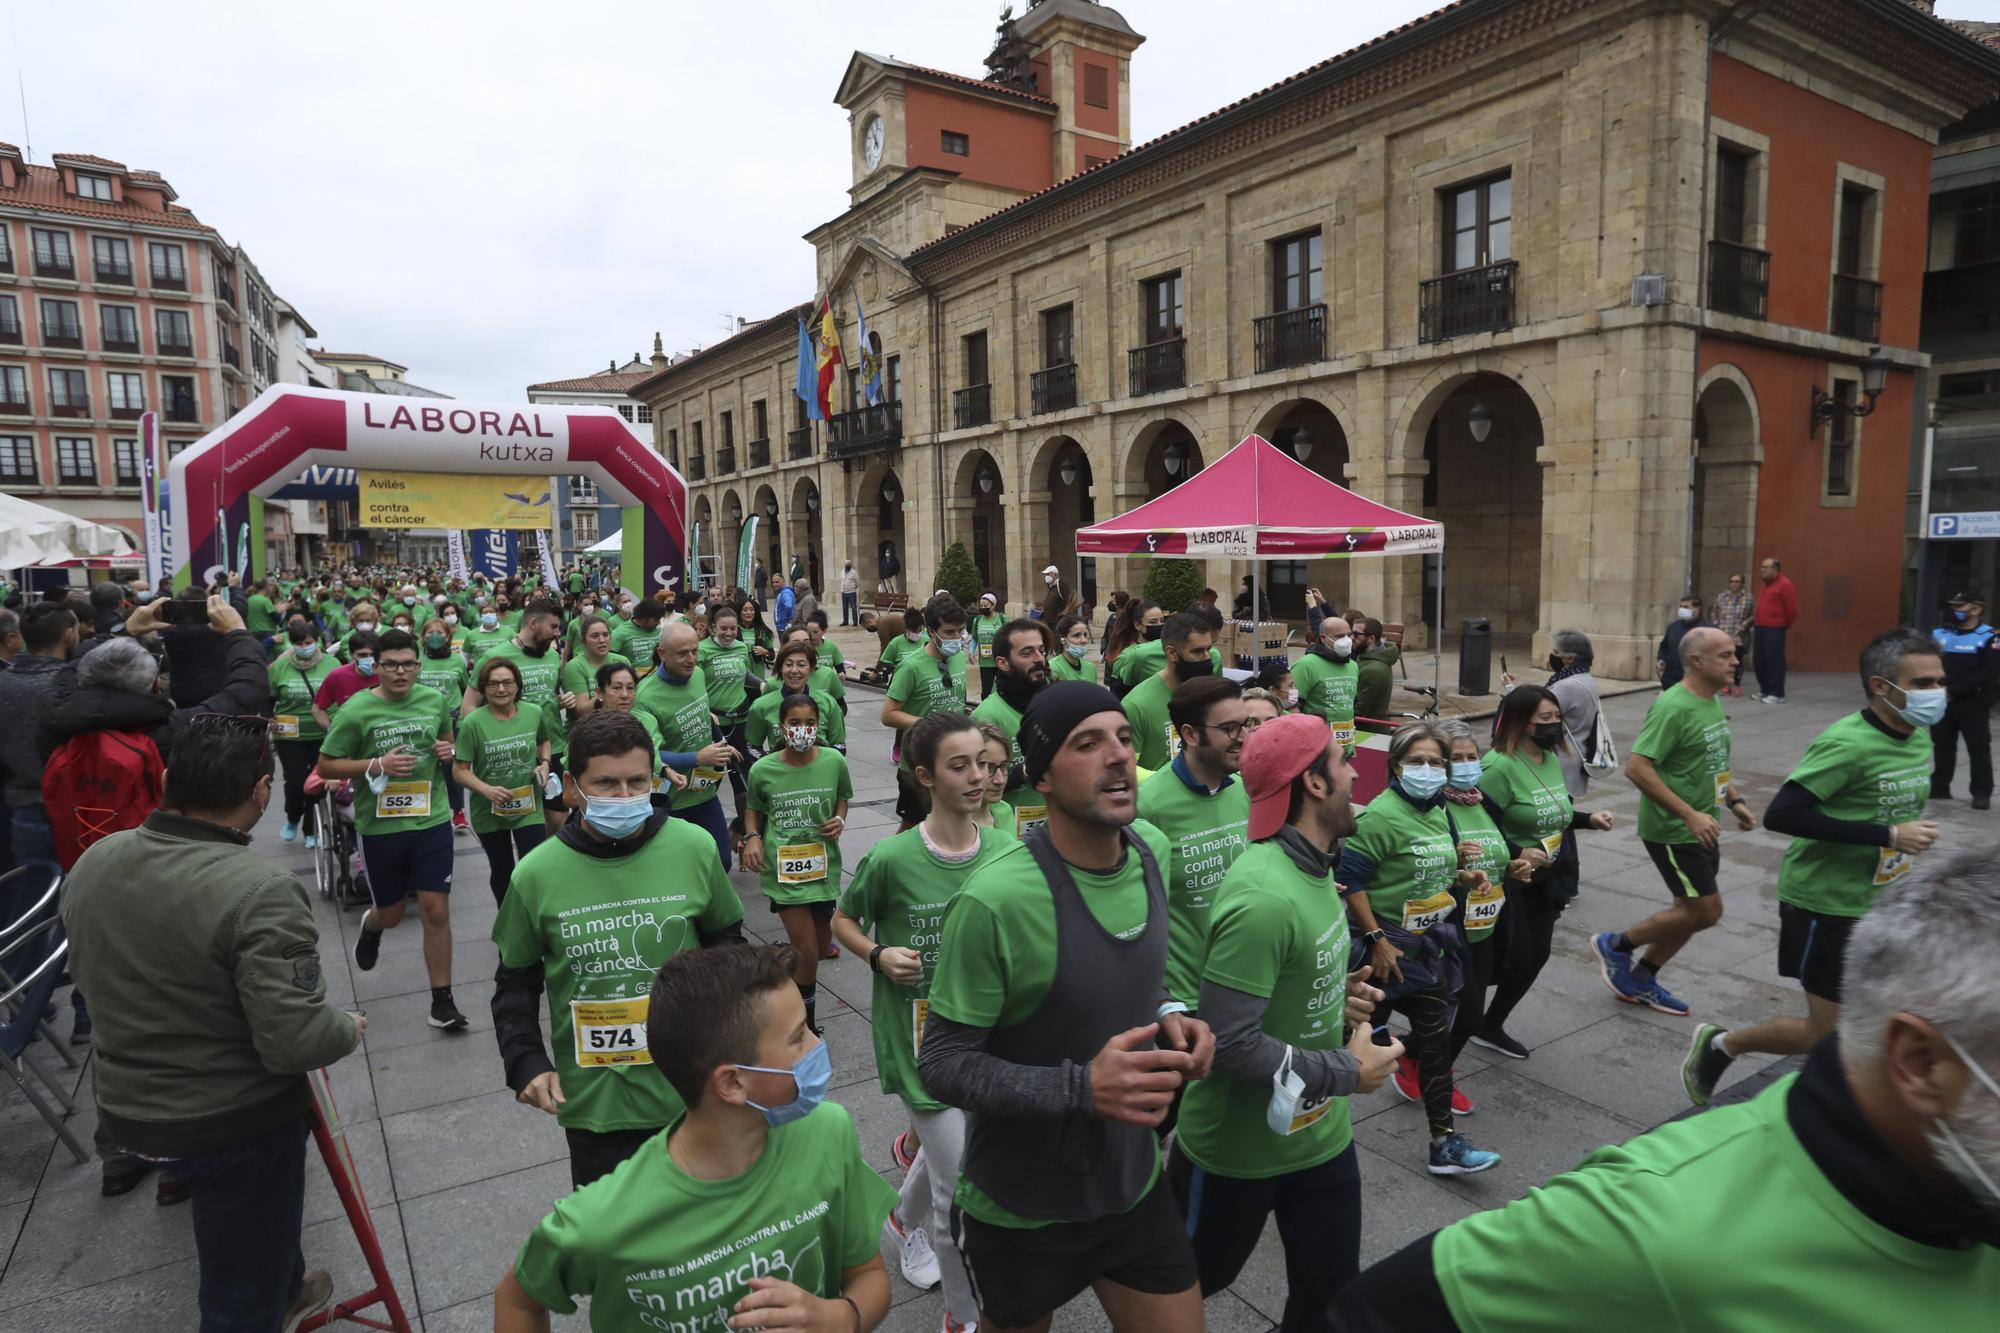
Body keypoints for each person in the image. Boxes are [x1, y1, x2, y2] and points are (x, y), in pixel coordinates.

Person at [1334, 854, 2000, 1333]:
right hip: (1409, 952)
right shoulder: (1654, 1228)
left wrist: (1527, 862)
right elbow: (1379, 1309)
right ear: (1920, 1061)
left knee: (1474, 1011)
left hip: (1476, 927)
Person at [917, 681, 1214, 1333]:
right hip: (1020, 1210)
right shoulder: (996, 900)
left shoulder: (1151, 850)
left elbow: (1141, 975)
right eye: (1088, 743)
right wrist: (1080, 1086)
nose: (1117, 755)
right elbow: (939, 1063)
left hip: (1132, 1187)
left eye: (1125, 737)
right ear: (1042, 778)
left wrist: (1175, 1010)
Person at [60, 719, 363, 1333]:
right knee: (236, 1300)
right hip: (231, 1120)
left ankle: (283, 1283)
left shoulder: (98, 857)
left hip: (124, 1108)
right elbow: (297, 1040)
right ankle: (263, 1299)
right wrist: (347, 1027)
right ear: (260, 793)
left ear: (169, 781)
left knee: (256, 1238)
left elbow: (86, 978)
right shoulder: (259, 888)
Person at [492, 945, 897, 1333]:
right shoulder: (604, 1220)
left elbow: (868, 1274)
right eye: (798, 1037)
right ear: (733, 1082)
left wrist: (842, 1318)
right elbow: (518, 1297)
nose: (817, 1045)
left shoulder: (828, 1131)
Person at [1171, 713, 1401, 1328]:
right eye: (1343, 762)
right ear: (1316, 786)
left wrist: (1335, 994)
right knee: (1185, 1287)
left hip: (1321, 1141)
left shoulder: (1319, 863)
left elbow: (1288, 985)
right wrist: (1348, 1070)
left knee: (1329, 1299)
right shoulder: (1264, 897)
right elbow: (1228, 1045)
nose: (1356, 772)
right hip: (1234, 1154)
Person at [1681, 629, 1943, 1107]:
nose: (1936, 694)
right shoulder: (1847, 743)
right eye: (1923, 684)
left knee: (1888, 1011)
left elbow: (1885, 809)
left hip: (1882, 898)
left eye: (1939, 681)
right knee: (1822, 1031)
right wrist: (1888, 835)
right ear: (1882, 686)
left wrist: (1904, 837)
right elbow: (1783, 814)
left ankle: (1853, 1094)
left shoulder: (1918, 734)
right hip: (1827, 904)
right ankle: (1722, 1046)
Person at [490, 708, 743, 1187]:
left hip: (693, 1091)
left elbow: (726, 942)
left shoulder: (694, 847)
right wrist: (524, 1061)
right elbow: (515, 980)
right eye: (606, 784)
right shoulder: (535, 874)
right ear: (571, 787)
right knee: (617, 1253)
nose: (625, 797)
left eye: (637, 782)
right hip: (597, 1109)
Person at [835, 711, 1009, 1329]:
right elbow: (844, 920)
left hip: (991, 1039)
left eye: (984, 764)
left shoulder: (1010, 850)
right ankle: (962, 1316)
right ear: (924, 776)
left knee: (957, 1158)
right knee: (959, 1186)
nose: (978, 777)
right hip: (922, 1042)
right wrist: (877, 954)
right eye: (959, 766)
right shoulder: (891, 859)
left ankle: (901, 1216)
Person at [1339, 722, 1502, 1176]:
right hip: (1380, 957)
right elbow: (1350, 881)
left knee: (1436, 1045)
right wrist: (1377, 941)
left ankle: (1443, 1143)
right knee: (1342, 1050)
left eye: (1436, 762)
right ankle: (1300, 1135)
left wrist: (1464, 877)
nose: (1428, 769)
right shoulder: (1381, 816)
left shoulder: (1437, 811)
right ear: (1395, 766)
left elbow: (1426, 872)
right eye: (1417, 761)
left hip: (1425, 952)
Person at [1590, 627, 1755, 1022]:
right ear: (1697, 660)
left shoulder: (1710, 701)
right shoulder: (1674, 706)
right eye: (1726, 656)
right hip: (1674, 829)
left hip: (1704, 823)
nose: (1735, 662)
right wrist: (1689, 814)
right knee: (1706, 910)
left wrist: (1734, 800)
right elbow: (1637, 766)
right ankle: (1616, 945)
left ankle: (1642, 977)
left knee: (1689, 909)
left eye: (1735, 655)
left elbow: (1709, 759)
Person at [316, 628, 467, 1030]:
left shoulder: (433, 700)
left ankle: (442, 1001)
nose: (400, 673)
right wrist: (375, 765)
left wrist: (447, 752)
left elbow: (448, 745)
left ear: (418, 665)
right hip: (381, 826)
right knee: (394, 913)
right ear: (375, 668)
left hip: (431, 818)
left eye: (408, 665)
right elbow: (326, 766)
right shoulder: (356, 711)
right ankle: (371, 925)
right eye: (390, 665)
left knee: (436, 910)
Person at [1469, 686, 1614, 1060]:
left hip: (1544, 880)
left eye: (1556, 718)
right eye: (1544, 719)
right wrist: (1517, 852)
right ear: (1520, 721)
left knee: (1536, 956)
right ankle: (1456, 1017)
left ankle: (1490, 1024)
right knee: (1505, 958)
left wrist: (1588, 820)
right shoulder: (1497, 767)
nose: (1554, 726)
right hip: (1506, 881)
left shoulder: (1549, 759)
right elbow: (1475, 823)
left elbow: (1555, 809)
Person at [1136, 677, 1250, 1023]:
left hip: (1247, 983)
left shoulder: (1247, 790)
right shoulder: (1147, 805)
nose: (1243, 737)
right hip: (1185, 1003)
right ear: (1189, 734)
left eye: (1244, 725)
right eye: (1229, 728)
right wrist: (1163, 1003)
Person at [1435, 719, 1530, 1109]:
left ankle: (1416, 1058)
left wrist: (1514, 866)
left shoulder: (1482, 801)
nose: (1467, 764)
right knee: (1468, 1014)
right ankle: (1433, 1078)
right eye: (1455, 758)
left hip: (1486, 925)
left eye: (1472, 756)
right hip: (1448, 930)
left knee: (1465, 1014)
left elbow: (1500, 850)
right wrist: (1455, 868)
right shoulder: (1434, 808)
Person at [744, 693, 851, 1035]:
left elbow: (842, 799)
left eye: (809, 723)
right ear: (781, 727)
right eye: (794, 723)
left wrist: (839, 820)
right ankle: (806, 1024)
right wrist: (753, 837)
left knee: (820, 947)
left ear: (818, 726)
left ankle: (775, 963)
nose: (802, 730)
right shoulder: (763, 769)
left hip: (822, 866)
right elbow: (753, 811)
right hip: (784, 871)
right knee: (806, 951)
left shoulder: (834, 761)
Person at [634, 620, 742, 868]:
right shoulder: (645, 698)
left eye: (695, 651)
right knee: (679, 869)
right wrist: (697, 758)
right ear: (662, 653)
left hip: (704, 791)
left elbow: (697, 713)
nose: (691, 659)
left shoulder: (698, 675)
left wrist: (719, 739)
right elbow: (648, 755)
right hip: (670, 800)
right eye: (682, 653)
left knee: (721, 862)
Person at [452, 658, 555, 908]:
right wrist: (486, 790)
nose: (501, 689)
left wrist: (544, 763)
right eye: (493, 684)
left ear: (517, 686)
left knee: (533, 866)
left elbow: (544, 740)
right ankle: (508, 924)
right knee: (502, 870)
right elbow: (459, 770)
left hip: (528, 805)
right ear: (484, 689)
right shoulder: (473, 722)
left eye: (507, 683)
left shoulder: (534, 712)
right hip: (489, 810)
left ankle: (534, 923)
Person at [464, 599, 569, 838]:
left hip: (552, 747)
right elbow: (468, 707)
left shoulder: (552, 656)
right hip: (513, 751)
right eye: (553, 627)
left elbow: (553, 694)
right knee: (520, 822)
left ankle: (541, 861)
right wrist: (498, 731)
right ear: (533, 623)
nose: (557, 632)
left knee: (558, 817)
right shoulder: (495, 657)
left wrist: (565, 700)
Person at [0, 602, 81, 870]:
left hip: (23, 808)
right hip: (77, 808)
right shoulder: (74, 685)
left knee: (35, 897)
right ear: (69, 634)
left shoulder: (5, 683)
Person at [883, 596, 970, 831]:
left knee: (951, 823)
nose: (956, 638)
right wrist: (930, 724)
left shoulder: (959, 658)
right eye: (949, 632)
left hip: (953, 758)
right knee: (914, 826)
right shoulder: (911, 667)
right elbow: (888, 714)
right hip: (917, 763)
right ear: (931, 631)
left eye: (960, 631)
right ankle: (892, 864)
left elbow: (958, 700)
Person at [970, 618, 1053, 836]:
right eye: (1027, 653)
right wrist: (1023, 772)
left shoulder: (1053, 702)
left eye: (1041, 650)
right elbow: (973, 783)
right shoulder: (987, 715)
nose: (1039, 659)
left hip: (1056, 826)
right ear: (1003, 663)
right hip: (1007, 832)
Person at [1119, 610, 1218, 771]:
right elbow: (1126, 767)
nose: (1207, 658)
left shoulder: (1212, 695)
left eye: (1209, 649)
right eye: (1197, 651)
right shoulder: (1136, 705)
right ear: (1171, 653)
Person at [269, 620, 337, 847]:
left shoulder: (332, 663)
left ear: (317, 641)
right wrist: (268, 717)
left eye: (308, 642)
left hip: (324, 733)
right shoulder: (280, 666)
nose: (304, 646)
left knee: (317, 784)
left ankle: (311, 829)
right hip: (289, 736)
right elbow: (268, 696)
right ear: (292, 643)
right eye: (299, 643)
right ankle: (292, 816)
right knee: (296, 782)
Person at [1929, 590, 1998, 809]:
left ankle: (1981, 792)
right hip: (1942, 699)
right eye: (1954, 606)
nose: (1954, 611)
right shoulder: (1939, 634)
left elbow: (1990, 670)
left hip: (1973, 701)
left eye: (1960, 607)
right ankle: (1939, 787)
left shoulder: (1990, 637)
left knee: (1978, 748)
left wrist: (1956, 690)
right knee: (1942, 745)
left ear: (1976, 609)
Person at [745, 640, 846, 756]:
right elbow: (752, 746)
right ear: (781, 668)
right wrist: (771, 766)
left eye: (801, 665)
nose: (794, 670)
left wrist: (822, 764)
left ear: (811, 668)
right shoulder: (761, 706)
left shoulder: (828, 702)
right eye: (788, 664)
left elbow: (839, 745)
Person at [1290, 611, 1359, 750]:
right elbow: (1291, 707)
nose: (1346, 640)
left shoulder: (1353, 665)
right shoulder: (1306, 665)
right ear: (1323, 638)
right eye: (1339, 636)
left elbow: (1351, 702)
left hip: (1345, 746)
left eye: (1348, 635)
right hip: (1315, 747)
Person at [1751, 555, 1797, 703]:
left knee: (1774, 660)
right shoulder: (1765, 584)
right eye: (1761, 567)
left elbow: (1791, 610)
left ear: (1775, 569)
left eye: (1766, 567)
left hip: (1775, 628)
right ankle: (1765, 689)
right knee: (1759, 659)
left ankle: (1777, 693)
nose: (1762, 570)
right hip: (1760, 626)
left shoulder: (1785, 584)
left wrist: (1783, 624)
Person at [1103, 598, 1161, 694]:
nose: (1159, 625)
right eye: (1153, 622)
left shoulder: (1164, 648)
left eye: (1162, 620)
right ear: (1138, 625)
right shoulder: (1126, 656)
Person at [1655, 595, 1712, 690]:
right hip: (1671, 679)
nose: (1682, 610)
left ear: (1697, 609)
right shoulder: (1673, 627)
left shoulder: (1708, 629)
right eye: (1681, 606)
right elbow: (1664, 646)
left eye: (1686, 607)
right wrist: (1661, 659)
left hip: (1695, 680)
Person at [1351, 618, 1400, 729]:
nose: (1351, 638)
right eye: (1351, 633)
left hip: (1369, 734)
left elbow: (1359, 709)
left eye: (1356, 634)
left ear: (1371, 638)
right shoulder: (1367, 658)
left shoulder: (1372, 669)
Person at [1711, 571, 1753, 695]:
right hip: (1723, 633)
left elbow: (1754, 614)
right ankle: (1724, 684)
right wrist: (1716, 624)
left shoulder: (1749, 598)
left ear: (1742, 583)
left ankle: (1736, 684)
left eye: (1737, 581)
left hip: (1739, 635)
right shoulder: (1722, 596)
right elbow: (1714, 611)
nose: (1734, 584)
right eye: (1732, 581)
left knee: (1737, 661)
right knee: (1723, 660)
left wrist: (1744, 624)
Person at [609, 594, 663, 668]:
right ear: (644, 617)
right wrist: (632, 673)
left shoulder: (659, 630)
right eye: (656, 620)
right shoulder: (620, 633)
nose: (659, 623)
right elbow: (609, 659)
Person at [970, 592, 1007, 698]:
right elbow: (974, 638)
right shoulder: (977, 620)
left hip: (1001, 660)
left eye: (985, 606)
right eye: (981, 606)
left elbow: (1010, 637)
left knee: (1002, 688)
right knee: (986, 691)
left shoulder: (1002, 619)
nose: (983, 608)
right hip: (985, 662)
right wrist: (971, 652)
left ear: (993, 605)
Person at [1050, 612, 1094, 681]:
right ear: (1063, 640)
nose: (1084, 640)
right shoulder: (1053, 668)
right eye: (1076, 635)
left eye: (1085, 635)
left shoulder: (1091, 668)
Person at [840, 557, 860, 626]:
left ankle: (855, 621)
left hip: (851, 592)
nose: (846, 565)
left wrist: (853, 588)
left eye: (848, 564)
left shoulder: (854, 572)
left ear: (850, 565)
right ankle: (845, 621)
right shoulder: (842, 572)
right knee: (845, 608)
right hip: (844, 592)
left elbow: (857, 583)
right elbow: (842, 580)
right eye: (846, 564)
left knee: (853, 607)